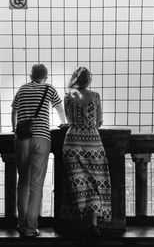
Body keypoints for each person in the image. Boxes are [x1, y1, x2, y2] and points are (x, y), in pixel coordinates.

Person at [11, 64, 65, 237]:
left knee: (23, 182)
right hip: (42, 138)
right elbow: (59, 110)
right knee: (36, 184)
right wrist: (63, 124)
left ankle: (21, 223)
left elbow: (14, 110)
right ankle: (31, 227)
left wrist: (15, 128)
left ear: (30, 75)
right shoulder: (49, 89)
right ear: (46, 77)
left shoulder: (22, 88)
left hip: (22, 138)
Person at [61, 66, 112, 236]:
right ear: (89, 80)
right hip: (93, 143)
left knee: (77, 183)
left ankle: (78, 224)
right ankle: (94, 224)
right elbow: (98, 122)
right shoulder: (95, 96)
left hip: (72, 140)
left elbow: (68, 119)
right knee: (97, 182)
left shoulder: (68, 95)